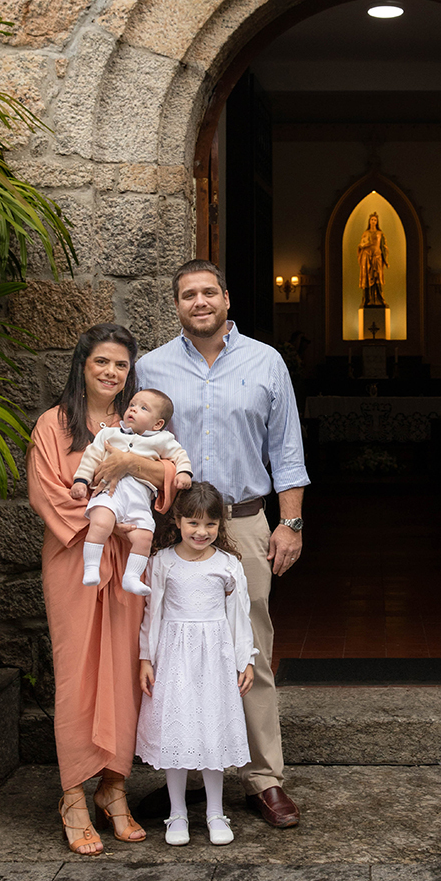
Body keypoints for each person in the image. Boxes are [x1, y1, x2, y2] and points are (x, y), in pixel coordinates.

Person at [132, 259, 309, 828]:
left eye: (209, 292)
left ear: (227, 298)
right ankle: (183, 774)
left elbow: (287, 449)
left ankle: (263, 779)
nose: (200, 302)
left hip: (246, 522)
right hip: (173, 528)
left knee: (247, 648)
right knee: (175, 650)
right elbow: (132, 441)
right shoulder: (151, 367)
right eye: (188, 294)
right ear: (176, 304)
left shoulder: (266, 361)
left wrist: (290, 523)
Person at [27, 324, 178, 856]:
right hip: (76, 557)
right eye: (102, 362)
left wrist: (134, 465)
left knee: (123, 669)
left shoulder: (137, 420)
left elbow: (170, 475)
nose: (111, 372)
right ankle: (73, 793)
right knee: (76, 672)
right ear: (83, 365)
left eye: (121, 365)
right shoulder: (54, 424)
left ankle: (114, 787)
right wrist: (109, 525)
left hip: (129, 563)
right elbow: (47, 494)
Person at [136, 482, 256, 846]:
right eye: (193, 523)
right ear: (177, 521)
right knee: (178, 733)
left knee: (211, 730)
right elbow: (152, 615)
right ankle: (177, 813)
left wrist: (245, 660)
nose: (201, 532)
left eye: (210, 525)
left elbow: (239, 617)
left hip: (215, 661)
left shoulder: (228, 565)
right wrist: (146, 658)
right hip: (174, 660)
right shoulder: (161, 563)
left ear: (220, 525)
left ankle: (215, 812)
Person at [71, 388, 193, 596]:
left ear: (157, 424)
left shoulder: (163, 440)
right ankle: (91, 567)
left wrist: (183, 473)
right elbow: (91, 457)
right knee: (100, 523)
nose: (134, 410)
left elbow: (179, 455)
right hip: (110, 493)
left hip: (139, 500)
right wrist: (81, 481)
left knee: (144, 537)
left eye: (143, 408)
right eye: (132, 405)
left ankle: (132, 577)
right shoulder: (109, 434)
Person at [358, 211, 389, 306]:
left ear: (377, 222)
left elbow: (383, 247)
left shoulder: (380, 234)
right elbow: (361, 245)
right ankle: (366, 299)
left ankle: (380, 299)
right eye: (372, 219)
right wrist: (365, 245)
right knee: (367, 278)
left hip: (377, 256)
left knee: (378, 277)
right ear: (369, 221)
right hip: (367, 257)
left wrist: (385, 260)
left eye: (375, 220)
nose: (373, 221)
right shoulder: (366, 233)